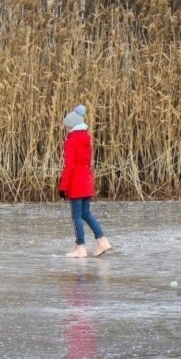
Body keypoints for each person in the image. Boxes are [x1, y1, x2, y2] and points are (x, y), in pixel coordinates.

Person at [58, 105, 111, 258]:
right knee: (86, 213)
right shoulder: (86, 139)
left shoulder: (71, 141)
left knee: (76, 216)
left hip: (76, 182)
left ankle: (80, 247)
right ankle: (102, 241)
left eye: (67, 127)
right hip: (86, 180)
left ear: (72, 126)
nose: (67, 130)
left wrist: (63, 187)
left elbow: (70, 166)